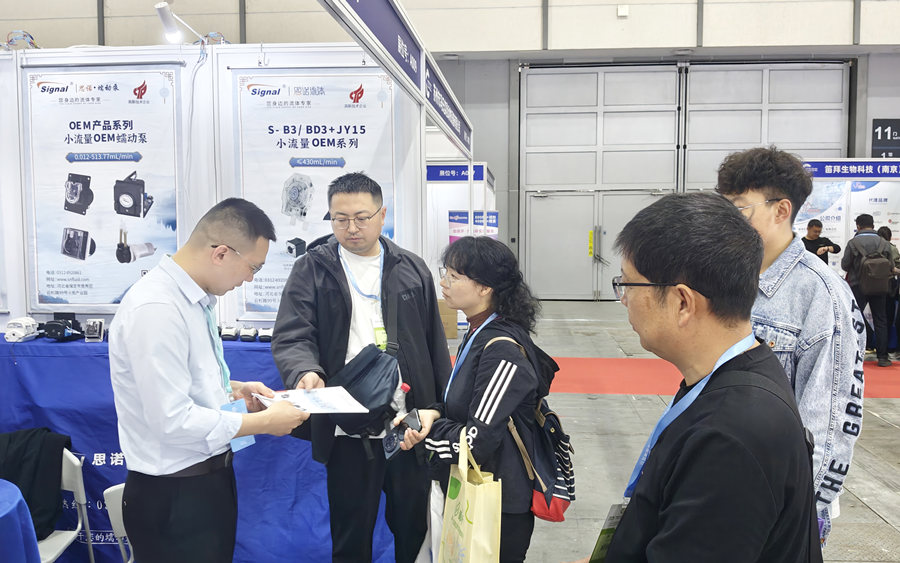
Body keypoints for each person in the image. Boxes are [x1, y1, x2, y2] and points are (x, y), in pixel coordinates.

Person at [577, 192, 822, 562]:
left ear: (682, 302)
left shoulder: (732, 437)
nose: (624, 299)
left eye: (628, 284)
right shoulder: (734, 374)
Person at [109, 198, 309, 563]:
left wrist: (235, 390)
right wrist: (264, 423)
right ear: (221, 253)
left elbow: (186, 382)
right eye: (252, 267)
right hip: (175, 497)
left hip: (206, 484)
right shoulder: (157, 308)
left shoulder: (191, 301)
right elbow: (172, 419)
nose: (250, 279)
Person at [271, 172, 451, 563]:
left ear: (382, 215)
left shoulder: (411, 268)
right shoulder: (312, 268)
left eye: (361, 218)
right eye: (340, 219)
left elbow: (433, 343)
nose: (351, 228)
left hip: (407, 424)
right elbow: (293, 333)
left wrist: (439, 408)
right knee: (351, 535)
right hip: (347, 426)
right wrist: (304, 371)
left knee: (415, 530)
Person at [715, 146, 865, 541]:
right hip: (721, 476)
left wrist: (801, 513)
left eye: (739, 209)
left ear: (781, 210)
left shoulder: (820, 294)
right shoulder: (727, 277)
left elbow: (831, 423)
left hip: (776, 502)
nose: (726, 221)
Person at [396, 236, 546, 563]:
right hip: (474, 487)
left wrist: (425, 435)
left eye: (454, 276)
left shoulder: (501, 348)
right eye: (445, 273)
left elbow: (476, 442)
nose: (444, 283)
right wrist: (434, 414)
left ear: (485, 287)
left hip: (497, 502)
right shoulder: (479, 333)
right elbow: (463, 405)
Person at [842, 214, 893, 367]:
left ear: (858, 226)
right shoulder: (884, 243)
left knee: (854, 318)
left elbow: (845, 265)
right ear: (873, 225)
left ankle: (854, 355)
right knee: (881, 320)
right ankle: (883, 357)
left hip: (858, 286)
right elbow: (890, 266)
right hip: (880, 286)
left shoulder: (853, 243)